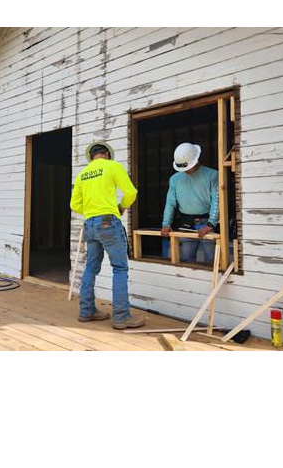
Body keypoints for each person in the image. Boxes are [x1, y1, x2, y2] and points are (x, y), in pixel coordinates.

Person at [69, 141, 144, 329]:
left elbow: (74, 205)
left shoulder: (82, 175)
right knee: (119, 268)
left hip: (90, 224)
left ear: (92, 157)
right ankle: (121, 317)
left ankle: (86, 311)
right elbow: (131, 192)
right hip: (108, 222)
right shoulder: (112, 167)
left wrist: (91, 210)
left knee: (90, 268)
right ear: (107, 154)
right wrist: (121, 207)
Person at [160, 142, 219, 265]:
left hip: (206, 222)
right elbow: (170, 203)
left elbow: (217, 200)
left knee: (212, 262)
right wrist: (166, 224)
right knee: (186, 262)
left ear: (195, 160)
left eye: (187, 167)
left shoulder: (212, 175)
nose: (185, 171)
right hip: (186, 223)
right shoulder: (175, 179)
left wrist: (211, 223)